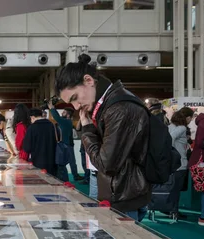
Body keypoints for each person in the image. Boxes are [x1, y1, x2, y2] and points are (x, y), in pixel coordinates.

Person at [56, 54, 151, 222]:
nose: (76, 106)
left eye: (75, 98)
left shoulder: (118, 109)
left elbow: (106, 164)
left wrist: (87, 129)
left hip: (122, 198)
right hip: (118, 193)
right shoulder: (109, 104)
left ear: (88, 81)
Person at [168, 107, 194, 219]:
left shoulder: (171, 126)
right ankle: (174, 211)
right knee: (176, 189)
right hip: (180, 162)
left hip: (172, 163)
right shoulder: (182, 128)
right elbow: (171, 138)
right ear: (188, 117)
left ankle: (171, 210)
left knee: (172, 188)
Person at [50, 104, 83, 182]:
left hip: (65, 145)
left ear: (68, 115)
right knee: (71, 161)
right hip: (68, 144)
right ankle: (75, 175)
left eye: (64, 112)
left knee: (64, 163)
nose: (62, 113)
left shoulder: (65, 121)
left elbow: (56, 117)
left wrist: (52, 108)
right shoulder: (67, 121)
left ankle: (72, 176)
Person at [22, 108, 58, 176]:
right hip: (52, 160)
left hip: (38, 161)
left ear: (32, 117)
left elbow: (27, 147)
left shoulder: (32, 128)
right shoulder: (51, 125)